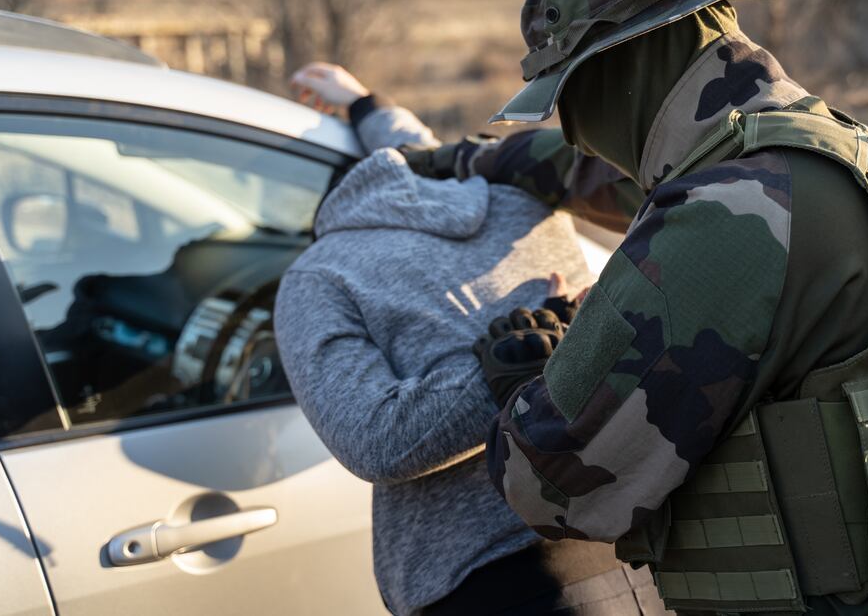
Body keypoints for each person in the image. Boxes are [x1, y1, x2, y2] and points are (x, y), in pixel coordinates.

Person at [388, 0, 868, 615]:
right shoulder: (830, 150)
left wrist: (521, 381)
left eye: (568, 98)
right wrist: (452, 160)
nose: (576, 131)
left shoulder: (725, 215)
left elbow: (554, 485)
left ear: (615, 69)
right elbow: (599, 173)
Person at [276, 63, 671, 615]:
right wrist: (368, 103)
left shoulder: (318, 276)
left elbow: (376, 441)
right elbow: (426, 157)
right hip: (635, 538)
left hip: (485, 576)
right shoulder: (522, 203)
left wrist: (508, 366)